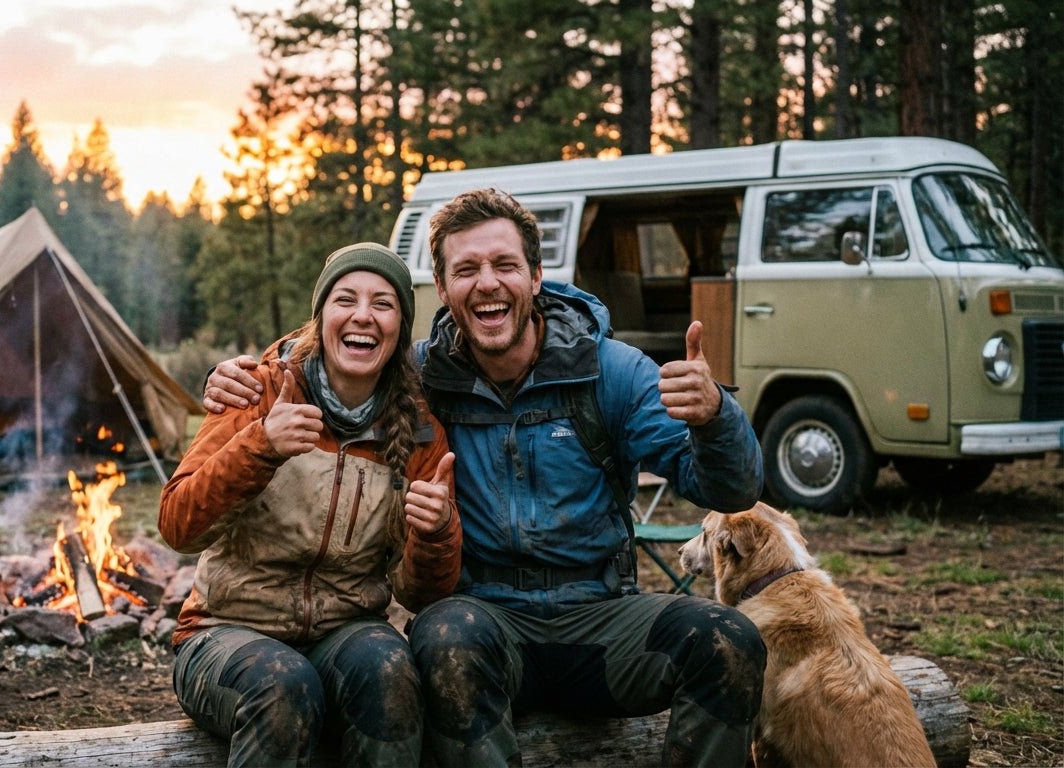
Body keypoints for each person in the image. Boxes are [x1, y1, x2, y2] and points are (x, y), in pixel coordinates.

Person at [204, 189, 768, 767]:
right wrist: (237, 379)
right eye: (466, 269)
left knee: (729, 641)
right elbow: (329, 357)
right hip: (484, 624)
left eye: (505, 265)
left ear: (536, 276)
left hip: (602, 620)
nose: (487, 283)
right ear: (443, 287)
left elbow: (729, 491)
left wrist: (715, 419)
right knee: (443, 637)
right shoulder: (420, 377)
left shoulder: (610, 371)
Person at [159, 242, 461, 767]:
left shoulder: (420, 432)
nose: (363, 315)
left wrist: (435, 533)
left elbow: (420, 593)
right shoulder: (257, 391)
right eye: (346, 299)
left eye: (383, 304)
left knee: (391, 671)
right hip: (224, 633)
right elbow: (177, 525)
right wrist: (260, 447)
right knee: (284, 686)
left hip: (345, 632)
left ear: (400, 329)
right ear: (321, 318)